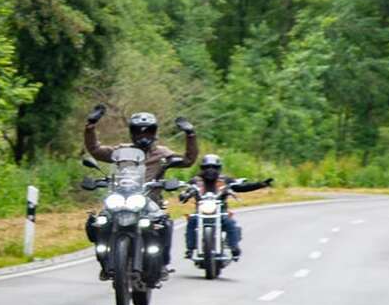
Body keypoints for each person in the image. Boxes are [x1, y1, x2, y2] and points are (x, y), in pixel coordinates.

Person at [84, 105, 199, 267]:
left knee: (163, 224)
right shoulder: (121, 151)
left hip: (150, 201)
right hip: (122, 198)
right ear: (132, 132)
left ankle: (161, 262)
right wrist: (90, 126)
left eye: (147, 131)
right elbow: (95, 150)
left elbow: (188, 160)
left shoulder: (162, 153)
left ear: (154, 132)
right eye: (139, 131)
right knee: (99, 221)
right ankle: (104, 257)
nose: (143, 135)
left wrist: (190, 135)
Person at [180, 153, 272, 260]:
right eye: (207, 167)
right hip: (200, 212)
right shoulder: (195, 181)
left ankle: (234, 248)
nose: (210, 170)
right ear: (202, 168)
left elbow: (240, 187)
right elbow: (185, 191)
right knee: (191, 221)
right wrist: (183, 195)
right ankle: (190, 249)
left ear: (219, 168)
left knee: (230, 223)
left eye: (214, 167)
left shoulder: (225, 180)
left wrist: (260, 184)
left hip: (220, 211)